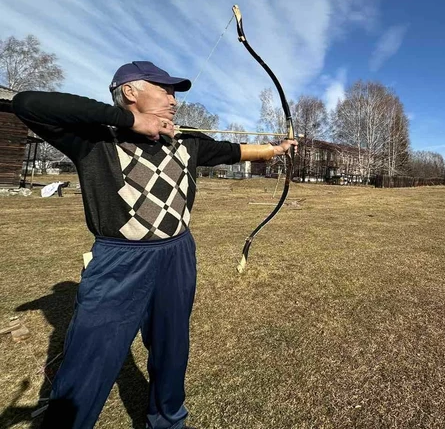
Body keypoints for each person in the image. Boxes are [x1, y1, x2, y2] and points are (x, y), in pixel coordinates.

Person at [12, 61, 296, 429]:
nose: (173, 100)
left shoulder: (184, 140)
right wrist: (131, 123)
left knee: (171, 347)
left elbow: (231, 151)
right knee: (91, 355)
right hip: (120, 260)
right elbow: (26, 103)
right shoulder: (94, 139)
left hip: (177, 254)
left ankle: (167, 420)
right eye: (164, 90)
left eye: (173, 92)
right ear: (130, 91)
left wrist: (276, 150)